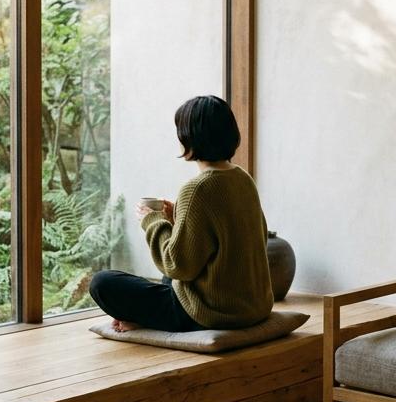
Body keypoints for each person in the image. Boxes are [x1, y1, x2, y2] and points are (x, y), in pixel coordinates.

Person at [89, 95, 273, 333]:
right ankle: (144, 318)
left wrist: (152, 222)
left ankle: (146, 319)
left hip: (212, 314)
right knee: (169, 284)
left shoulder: (197, 188)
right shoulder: (242, 178)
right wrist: (179, 217)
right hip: (254, 307)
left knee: (102, 283)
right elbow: (245, 238)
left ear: (190, 137)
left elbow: (178, 266)